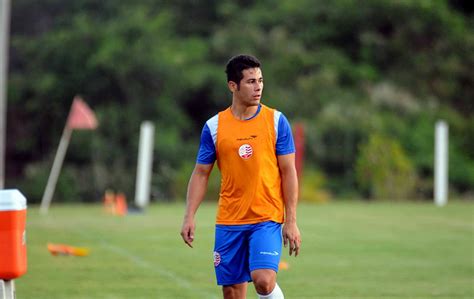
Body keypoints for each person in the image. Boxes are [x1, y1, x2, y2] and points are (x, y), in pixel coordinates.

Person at [180, 54, 301, 299]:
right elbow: (201, 173)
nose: (258, 87)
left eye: (260, 80)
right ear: (232, 86)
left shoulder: (276, 121)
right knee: (233, 292)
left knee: (264, 281)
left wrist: (291, 220)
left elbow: (289, 171)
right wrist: (189, 216)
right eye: (250, 82)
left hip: (266, 217)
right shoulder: (214, 127)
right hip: (229, 220)